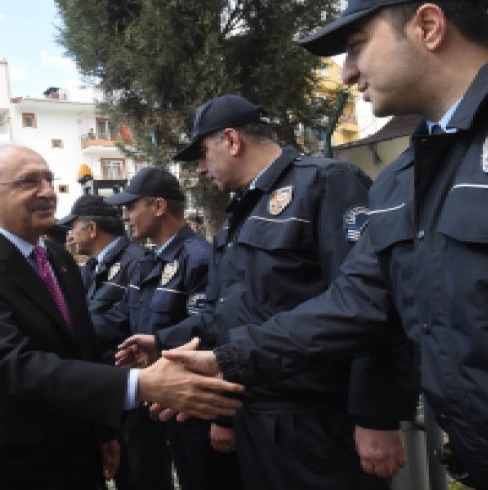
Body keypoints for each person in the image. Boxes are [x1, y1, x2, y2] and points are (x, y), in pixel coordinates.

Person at [163, 2, 488, 489]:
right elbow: (356, 302)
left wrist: (374, 415)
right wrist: (226, 359)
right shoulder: (402, 178)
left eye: (356, 46)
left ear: (428, 25)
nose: (347, 72)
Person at [118, 94, 416, 490]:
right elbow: (226, 312)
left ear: (232, 140)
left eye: (204, 153)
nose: (202, 168)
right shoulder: (237, 216)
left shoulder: (327, 183)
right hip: (257, 417)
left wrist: (376, 416)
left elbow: (371, 302)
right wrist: (162, 342)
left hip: (321, 421)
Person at [0, 144, 243, 490]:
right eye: (29, 182)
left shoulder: (59, 261)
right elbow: (10, 364)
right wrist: (140, 384)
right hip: (10, 462)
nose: (47, 192)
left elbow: (79, 350)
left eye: (49, 180)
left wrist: (103, 430)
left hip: (78, 451)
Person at [98, 167, 242, 490]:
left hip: (198, 408)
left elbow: (210, 329)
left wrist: (223, 420)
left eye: (132, 207)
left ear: (158, 207)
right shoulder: (148, 263)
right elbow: (119, 318)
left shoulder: (199, 258)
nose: (125, 217)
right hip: (166, 406)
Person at [61, 194, 162, 490]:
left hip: (132, 387)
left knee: (143, 472)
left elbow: (135, 320)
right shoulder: (91, 268)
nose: (70, 234)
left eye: (75, 226)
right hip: (104, 386)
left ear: (91, 229)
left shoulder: (136, 261)